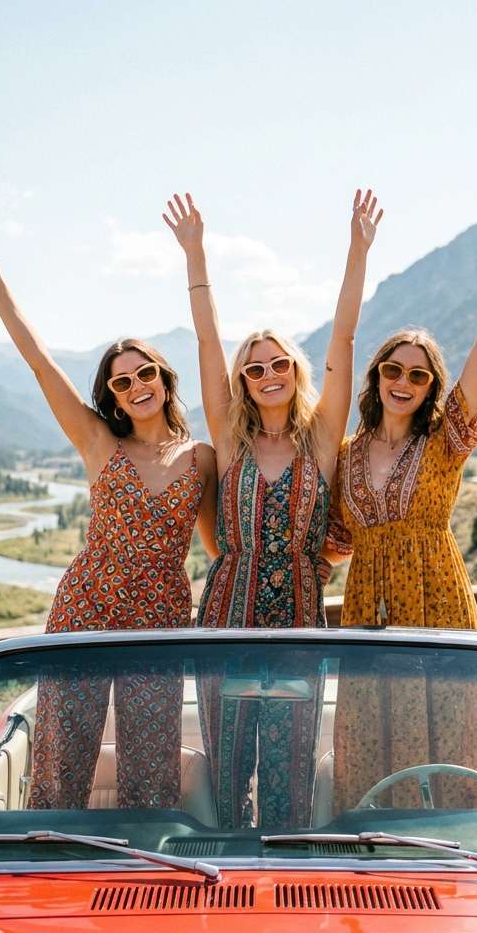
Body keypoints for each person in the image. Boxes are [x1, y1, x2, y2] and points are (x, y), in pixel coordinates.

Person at [0, 239, 217, 809]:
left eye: (145, 373)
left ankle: (144, 851)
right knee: (63, 747)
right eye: (122, 382)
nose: (137, 386)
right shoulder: (98, 442)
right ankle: (50, 842)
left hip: (162, 613)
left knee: (152, 753)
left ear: (165, 379)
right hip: (88, 601)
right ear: (114, 398)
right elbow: (41, 363)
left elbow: (220, 545)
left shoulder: (203, 459)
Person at [330, 203, 477, 810]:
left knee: (453, 730)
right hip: (366, 609)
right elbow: (332, 544)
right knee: (370, 734)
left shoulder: (444, 441)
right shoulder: (347, 454)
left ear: (432, 385)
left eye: (419, 375)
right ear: (377, 376)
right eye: (393, 369)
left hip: (436, 598)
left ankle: (461, 840)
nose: (404, 382)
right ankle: (375, 842)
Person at [164, 190, 382, 826]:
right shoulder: (231, 440)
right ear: (243, 381)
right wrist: (195, 252)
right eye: (254, 368)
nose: (268, 375)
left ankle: (286, 865)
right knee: (229, 767)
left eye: (278, 363)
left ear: (294, 369)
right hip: (226, 616)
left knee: (290, 767)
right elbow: (207, 340)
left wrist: (358, 250)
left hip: (299, 619)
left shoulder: (320, 438)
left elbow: (344, 336)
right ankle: (227, 868)